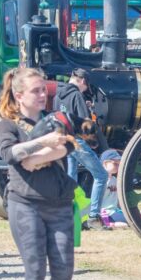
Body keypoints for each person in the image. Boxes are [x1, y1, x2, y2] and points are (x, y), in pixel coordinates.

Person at [0, 67, 78, 280]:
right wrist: (42, 144)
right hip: (24, 203)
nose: (44, 95)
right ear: (19, 95)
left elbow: (65, 149)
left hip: (58, 203)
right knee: (35, 269)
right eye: (36, 90)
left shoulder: (54, 119)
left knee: (65, 270)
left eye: (44, 89)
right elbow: (11, 155)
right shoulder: (7, 125)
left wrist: (34, 156)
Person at [54, 68, 110, 229]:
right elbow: (85, 122)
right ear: (83, 82)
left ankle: (68, 216)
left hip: (64, 140)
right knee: (101, 175)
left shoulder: (58, 95)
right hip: (77, 141)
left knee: (71, 179)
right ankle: (93, 216)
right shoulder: (77, 94)